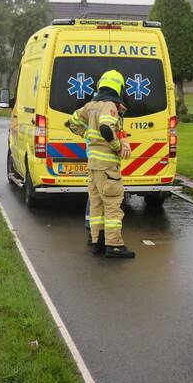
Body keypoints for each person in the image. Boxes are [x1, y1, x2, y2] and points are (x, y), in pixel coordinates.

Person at [66, 69, 135, 259]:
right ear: (118, 87)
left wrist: (86, 134)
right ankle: (114, 246)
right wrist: (117, 146)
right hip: (107, 167)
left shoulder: (91, 105)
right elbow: (106, 127)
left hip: (94, 166)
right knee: (112, 205)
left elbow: (71, 122)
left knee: (96, 205)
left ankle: (97, 242)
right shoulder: (110, 106)